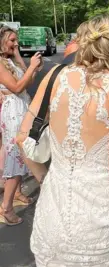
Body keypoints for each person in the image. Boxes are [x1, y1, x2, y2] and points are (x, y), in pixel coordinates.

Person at [16, 14, 109, 267]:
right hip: (104, 220)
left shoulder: (54, 76)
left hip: (54, 210)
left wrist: (45, 180)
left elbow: (22, 138)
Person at [0, 25, 42, 225]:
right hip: (13, 111)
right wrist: (32, 66)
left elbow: (28, 80)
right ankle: (6, 208)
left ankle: (16, 193)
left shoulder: (8, 60)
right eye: (12, 41)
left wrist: (18, 56)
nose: (16, 44)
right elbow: (17, 87)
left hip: (21, 107)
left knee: (20, 155)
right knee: (17, 156)